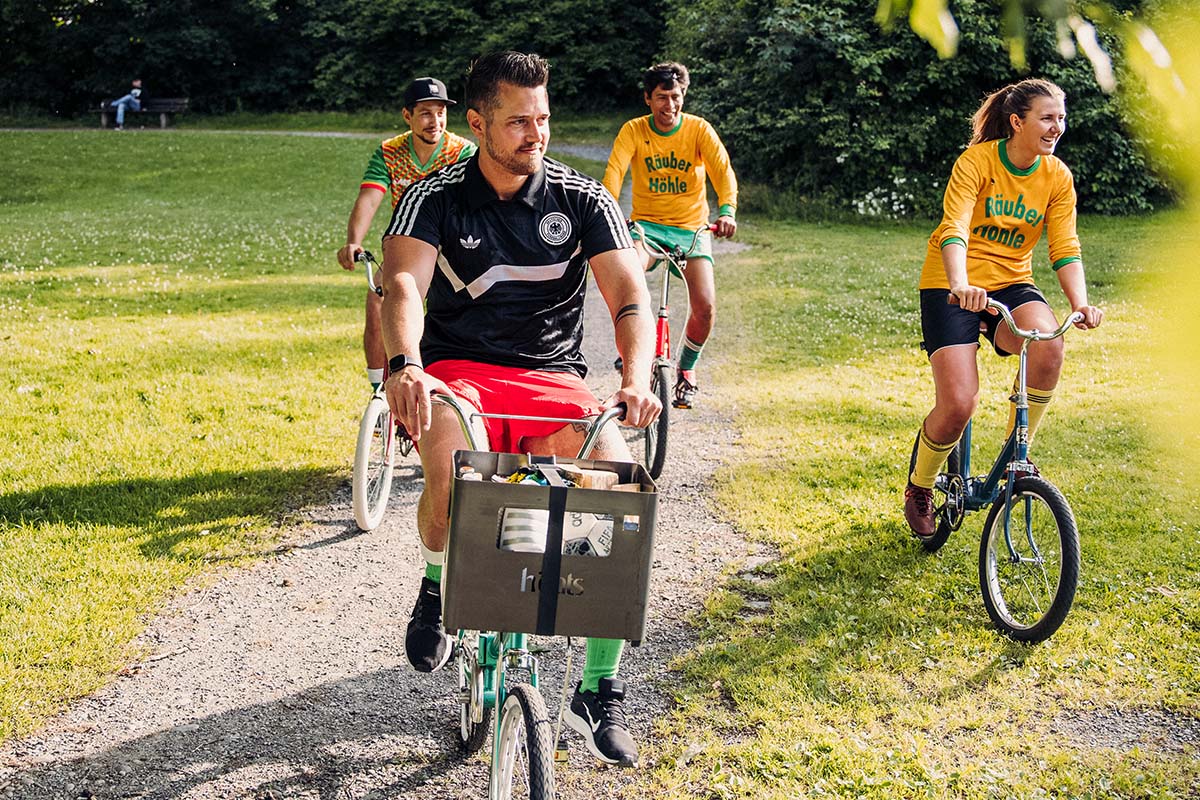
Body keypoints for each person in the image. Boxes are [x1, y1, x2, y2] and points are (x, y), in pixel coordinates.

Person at [379, 51, 661, 767]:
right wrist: (406, 366)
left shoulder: (581, 199)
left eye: (542, 119)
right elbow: (404, 287)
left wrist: (636, 375)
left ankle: (596, 687)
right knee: (449, 462)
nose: (535, 134)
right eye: (517, 122)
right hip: (459, 372)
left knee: (617, 482)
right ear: (476, 125)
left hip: (550, 377)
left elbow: (628, 295)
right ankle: (437, 585)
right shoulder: (434, 195)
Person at [904, 78, 1104, 538]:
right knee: (958, 402)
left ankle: (1021, 452)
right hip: (950, 283)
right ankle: (920, 486)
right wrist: (960, 284)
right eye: (1047, 118)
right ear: (1017, 122)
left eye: (1061, 119)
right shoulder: (976, 162)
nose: (1057, 128)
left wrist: (1081, 304)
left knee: (1048, 348)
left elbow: (1065, 247)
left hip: (1012, 282)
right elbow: (953, 227)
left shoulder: (1057, 177)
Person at [602, 62, 738, 409]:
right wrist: (607, 210)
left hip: (692, 229)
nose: (669, 105)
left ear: (684, 96)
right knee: (627, 283)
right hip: (647, 227)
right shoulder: (633, 130)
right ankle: (632, 353)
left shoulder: (698, 130)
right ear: (648, 99)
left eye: (675, 97)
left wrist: (726, 211)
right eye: (661, 97)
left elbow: (722, 172)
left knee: (705, 306)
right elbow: (614, 173)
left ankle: (687, 371)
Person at [337, 77, 476, 389]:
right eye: (425, 113)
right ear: (407, 116)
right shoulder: (389, 152)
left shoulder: (463, 153)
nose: (435, 121)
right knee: (377, 297)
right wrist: (353, 241)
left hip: (453, 248)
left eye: (440, 113)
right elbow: (370, 197)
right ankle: (378, 390)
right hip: (410, 246)